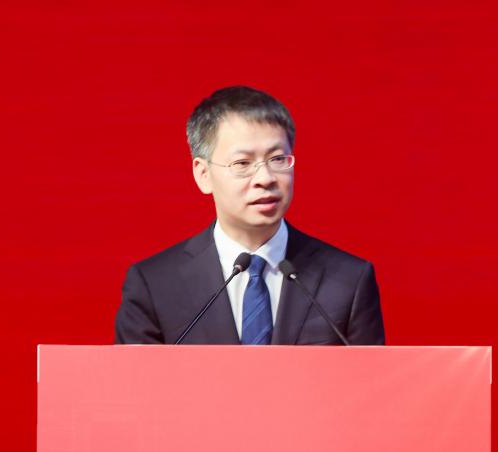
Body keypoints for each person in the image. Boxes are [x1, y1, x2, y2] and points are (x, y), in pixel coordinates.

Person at [114, 86, 385, 345]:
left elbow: (370, 378)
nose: (265, 178)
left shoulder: (349, 280)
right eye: (242, 163)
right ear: (203, 174)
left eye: (277, 159)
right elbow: (135, 379)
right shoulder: (154, 285)